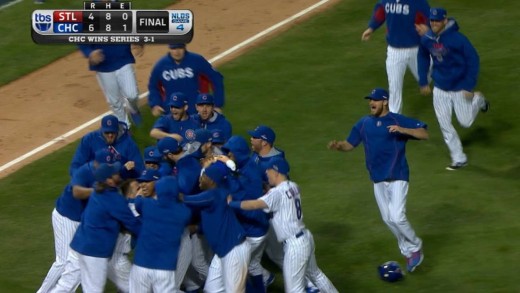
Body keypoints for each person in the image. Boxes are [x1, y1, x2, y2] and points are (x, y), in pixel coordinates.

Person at [328, 87, 428, 272]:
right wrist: (338, 146)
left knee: (397, 216)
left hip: (398, 175)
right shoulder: (364, 123)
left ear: (385, 102)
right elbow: (350, 144)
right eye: (369, 100)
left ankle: (416, 247)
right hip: (378, 179)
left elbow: (424, 133)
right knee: (388, 219)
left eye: (374, 100)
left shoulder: (396, 119)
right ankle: (408, 252)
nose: (371, 103)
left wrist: (403, 130)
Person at [229, 158, 339, 292]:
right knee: (316, 275)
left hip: (295, 245)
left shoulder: (277, 193)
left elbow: (254, 205)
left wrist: (230, 204)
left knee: (294, 290)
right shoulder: (294, 186)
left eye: (268, 171)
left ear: (276, 172)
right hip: (305, 237)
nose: (266, 173)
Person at [417, 7, 490, 170]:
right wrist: (423, 80)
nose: (434, 23)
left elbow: (473, 60)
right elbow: (422, 56)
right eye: (432, 20)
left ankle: (478, 100)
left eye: (437, 20)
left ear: (445, 20)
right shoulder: (427, 38)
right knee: (444, 124)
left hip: (459, 87)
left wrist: (469, 85)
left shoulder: (458, 39)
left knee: (465, 122)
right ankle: (459, 158)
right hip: (440, 89)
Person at [37, 149, 118, 293]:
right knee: (63, 262)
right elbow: (77, 192)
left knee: (79, 262)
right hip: (65, 217)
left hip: (81, 222)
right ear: (96, 164)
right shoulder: (85, 171)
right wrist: (97, 192)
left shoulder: (107, 177)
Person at [69, 163, 141, 293]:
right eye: (116, 174)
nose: (119, 175)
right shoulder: (112, 199)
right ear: (109, 180)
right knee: (94, 289)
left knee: (90, 288)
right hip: (95, 251)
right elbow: (132, 223)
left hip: (82, 246)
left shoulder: (98, 191)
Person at [183, 161, 251, 293]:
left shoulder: (213, 195)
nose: (200, 179)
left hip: (234, 250)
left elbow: (186, 199)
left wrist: (165, 192)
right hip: (224, 251)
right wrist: (197, 228)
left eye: (203, 176)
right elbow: (213, 220)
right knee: (212, 289)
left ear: (211, 180)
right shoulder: (218, 193)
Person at [222, 135, 273, 292]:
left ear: (239, 153)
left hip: (253, 228)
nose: (228, 156)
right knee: (252, 264)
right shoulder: (245, 166)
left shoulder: (249, 173)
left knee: (235, 268)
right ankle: (262, 285)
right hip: (259, 225)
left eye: (231, 153)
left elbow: (240, 199)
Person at [361, 0, 431, 114]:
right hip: (394, 51)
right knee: (394, 87)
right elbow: (381, 12)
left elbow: (429, 16)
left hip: (416, 49)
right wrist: (371, 28)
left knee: (427, 77)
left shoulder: (417, 1)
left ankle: (448, 83)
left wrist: (428, 28)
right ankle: (394, 118)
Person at [129, 176, 192, 293]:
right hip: (165, 269)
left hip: (141, 265)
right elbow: (184, 204)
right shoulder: (183, 213)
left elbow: (137, 201)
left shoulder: (147, 205)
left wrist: (138, 193)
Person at [148, 43, 225, 116]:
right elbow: (153, 86)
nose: (177, 52)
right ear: (169, 48)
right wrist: (155, 104)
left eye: (179, 48)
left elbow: (216, 78)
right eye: (173, 48)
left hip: (196, 111)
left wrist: (217, 104)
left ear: (184, 47)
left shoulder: (196, 60)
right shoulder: (161, 65)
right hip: (172, 112)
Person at [78, 43, 143, 127]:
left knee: (132, 95)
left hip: (123, 58)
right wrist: (89, 52)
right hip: (103, 65)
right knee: (114, 102)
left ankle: (133, 109)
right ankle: (124, 127)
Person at [69, 114, 144, 178]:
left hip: (120, 183)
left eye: (112, 132)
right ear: (102, 130)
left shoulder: (128, 143)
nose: (110, 135)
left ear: (117, 130)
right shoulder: (89, 139)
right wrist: (82, 180)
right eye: (107, 132)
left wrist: (130, 170)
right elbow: (75, 166)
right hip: (95, 182)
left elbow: (140, 169)